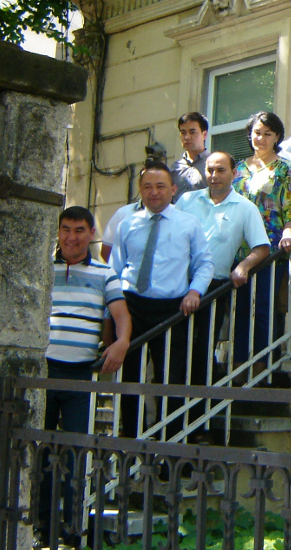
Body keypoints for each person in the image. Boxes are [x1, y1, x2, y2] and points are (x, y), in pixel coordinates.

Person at [36, 206, 131, 548]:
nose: (71, 237)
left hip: (79, 376)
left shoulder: (106, 273)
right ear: (58, 231)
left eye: (79, 230)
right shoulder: (41, 267)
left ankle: (72, 527)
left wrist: (121, 343)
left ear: (92, 234)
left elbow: (121, 314)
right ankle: (42, 526)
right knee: (40, 451)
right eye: (66, 229)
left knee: (76, 452)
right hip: (44, 372)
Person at [112, 162, 213, 439]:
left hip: (172, 309)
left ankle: (170, 442)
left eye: (160, 186)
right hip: (132, 306)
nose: (154, 192)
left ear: (173, 189)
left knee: (170, 377)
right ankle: (131, 441)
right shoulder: (127, 224)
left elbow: (204, 263)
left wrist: (195, 292)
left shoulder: (188, 224)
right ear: (140, 190)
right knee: (130, 377)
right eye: (147, 187)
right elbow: (115, 269)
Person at [176, 151, 269, 439]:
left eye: (220, 170)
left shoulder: (245, 207)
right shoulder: (187, 200)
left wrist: (243, 266)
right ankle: (168, 422)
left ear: (234, 173)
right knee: (174, 353)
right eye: (210, 170)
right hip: (177, 286)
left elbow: (262, 247)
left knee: (202, 354)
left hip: (213, 288)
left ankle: (196, 425)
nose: (214, 176)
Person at [232, 112, 291, 368]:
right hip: (238, 248)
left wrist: (288, 232)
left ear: (277, 137)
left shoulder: (285, 168)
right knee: (240, 309)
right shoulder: (238, 169)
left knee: (264, 306)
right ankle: (240, 364)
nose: (260, 138)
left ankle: (264, 364)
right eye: (256, 133)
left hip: (270, 248)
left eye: (267, 134)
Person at [171, 112, 210, 201]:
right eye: (183, 133)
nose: (187, 137)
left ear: (204, 135)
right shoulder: (175, 168)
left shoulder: (213, 165)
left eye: (192, 132)